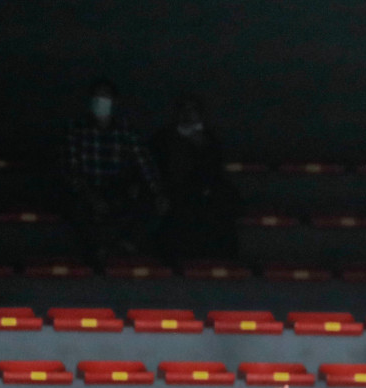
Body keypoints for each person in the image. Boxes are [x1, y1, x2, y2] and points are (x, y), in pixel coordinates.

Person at [62, 78, 165, 261]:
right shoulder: (77, 129)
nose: (101, 100)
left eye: (106, 96)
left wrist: (158, 192)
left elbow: (145, 164)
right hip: (88, 188)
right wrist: (91, 196)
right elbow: (72, 169)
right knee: (75, 206)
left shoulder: (126, 130)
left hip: (118, 187)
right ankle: (99, 248)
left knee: (153, 206)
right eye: (97, 96)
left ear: (114, 102)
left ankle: (126, 245)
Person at [152, 96, 239, 259]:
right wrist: (160, 192)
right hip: (173, 190)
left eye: (192, 109)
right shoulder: (163, 138)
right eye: (183, 109)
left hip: (203, 190)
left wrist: (202, 146)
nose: (187, 114)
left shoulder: (209, 138)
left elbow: (215, 168)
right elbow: (155, 168)